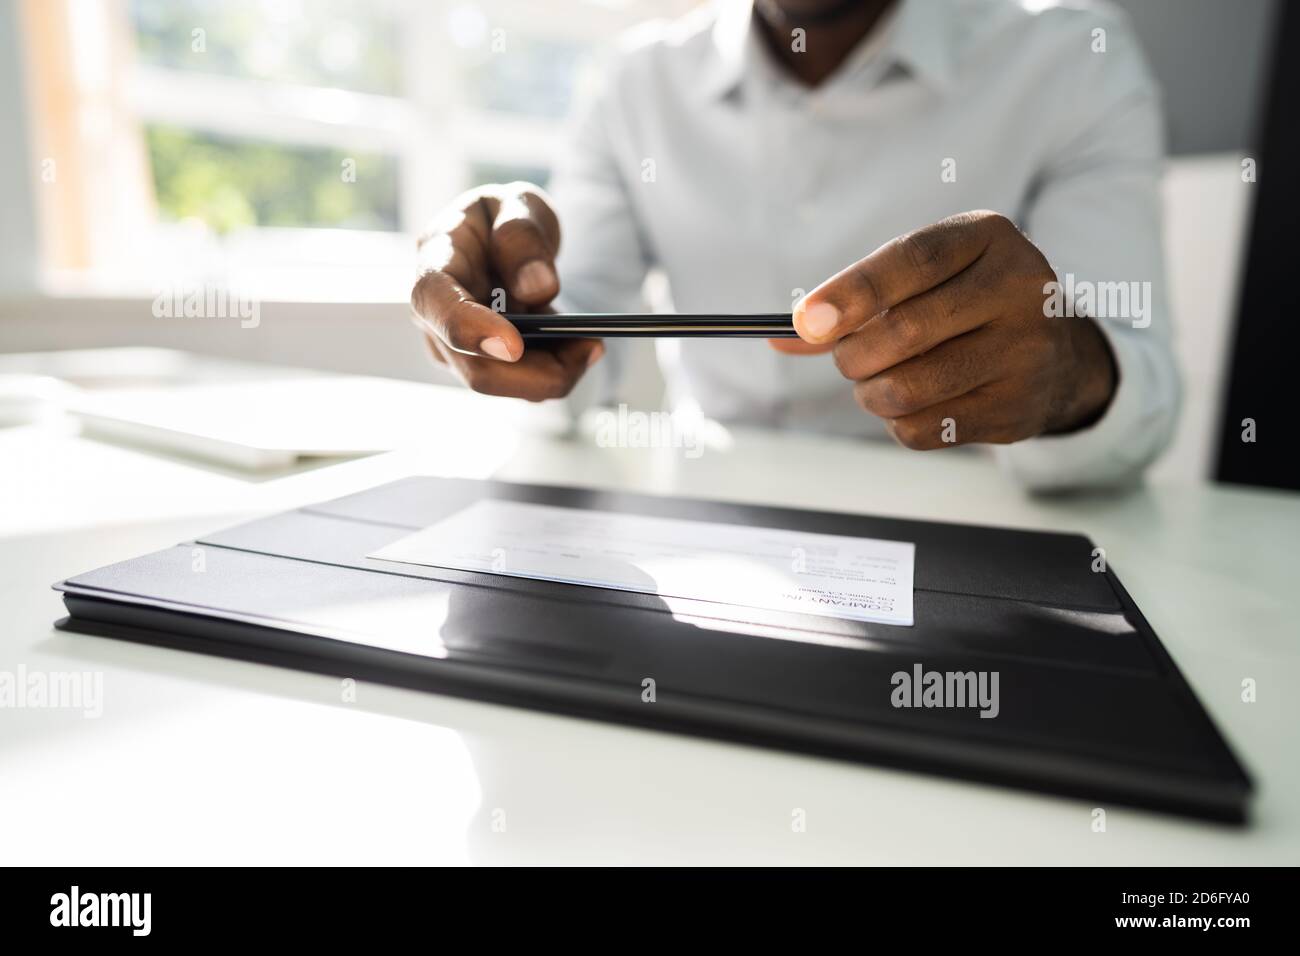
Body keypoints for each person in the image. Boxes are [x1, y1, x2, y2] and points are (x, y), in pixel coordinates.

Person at [409, 0, 1179, 491]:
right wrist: (504, 310)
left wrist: (1070, 371)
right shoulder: (633, 84)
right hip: (693, 522)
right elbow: (572, 351)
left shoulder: (1075, 62)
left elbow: (1140, 386)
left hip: (969, 533)